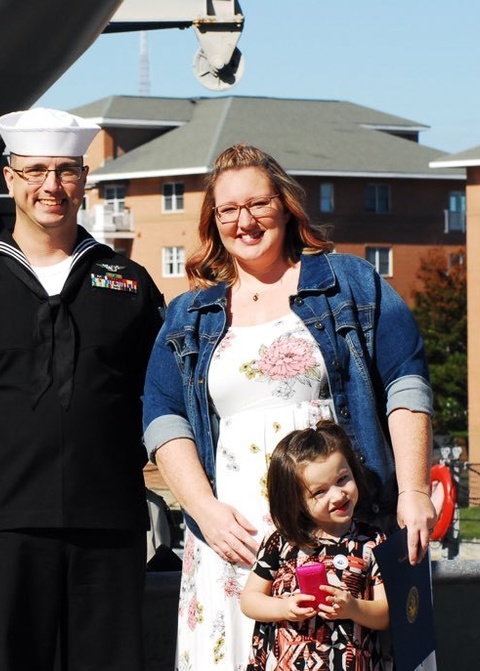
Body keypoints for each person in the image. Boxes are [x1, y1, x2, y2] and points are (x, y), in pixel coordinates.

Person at [141, 143, 434, 669]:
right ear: (213, 221)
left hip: (342, 529)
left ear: (286, 206)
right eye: (228, 210)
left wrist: (413, 491)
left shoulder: (349, 282)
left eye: (258, 204)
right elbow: (162, 417)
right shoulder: (189, 314)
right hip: (236, 537)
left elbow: (406, 381)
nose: (245, 221)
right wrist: (204, 511)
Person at [0, 107, 164, 671]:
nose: (50, 187)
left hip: (108, 521)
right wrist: (6, 465)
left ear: (85, 180)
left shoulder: (127, 283)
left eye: (65, 171)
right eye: (34, 172)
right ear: (9, 179)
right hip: (7, 523)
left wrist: (107, 460)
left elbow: (156, 396)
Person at [240, 421, 390, 671]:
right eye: (320, 492)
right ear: (294, 500)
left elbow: (385, 614)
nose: (338, 494)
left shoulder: (372, 542)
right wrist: (284, 607)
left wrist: (353, 608)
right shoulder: (281, 541)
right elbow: (250, 601)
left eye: (343, 479)